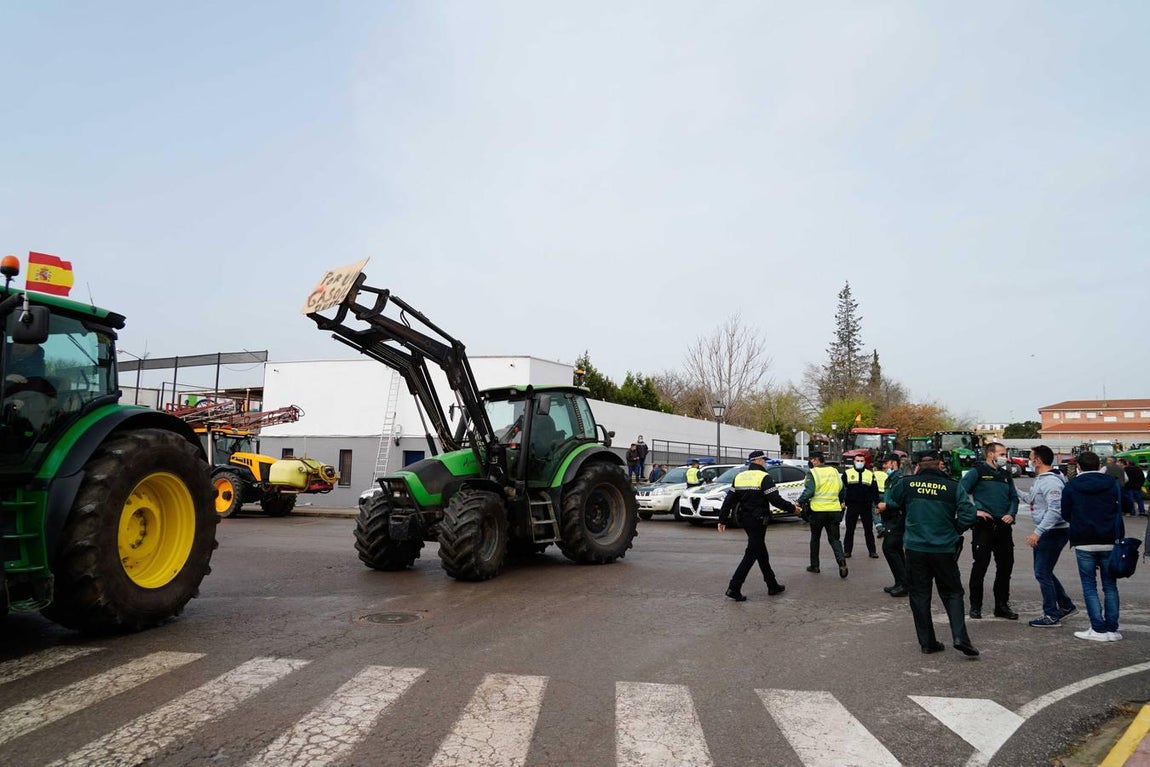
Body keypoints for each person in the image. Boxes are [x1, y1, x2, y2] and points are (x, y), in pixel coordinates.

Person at [885, 450, 979, 656]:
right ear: (939, 465)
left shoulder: (907, 484)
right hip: (944, 548)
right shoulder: (953, 487)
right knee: (952, 593)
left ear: (917, 465)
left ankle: (928, 642)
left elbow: (891, 502)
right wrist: (955, 528)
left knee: (919, 595)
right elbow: (969, 515)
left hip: (915, 549)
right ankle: (960, 637)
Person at [1062, 450, 1130, 641]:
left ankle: (1097, 628)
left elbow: (1065, 512)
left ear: (1079, 467)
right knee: (1110, 586)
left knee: (1089, 586)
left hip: (1084, 540)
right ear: (1098, 465)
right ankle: (1112, 629)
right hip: (1109, 539)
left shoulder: (1073, 485)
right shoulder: (1111, 483)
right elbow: (1120, 507)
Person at [717, 450, 795, 601]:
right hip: (759, 520)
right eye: (764, 460)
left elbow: (729, 500)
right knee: (752, 553)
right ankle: (734, 587)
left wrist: (722, 519)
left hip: (745, 520)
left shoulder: (739, 477)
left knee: (761, 552)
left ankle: (772, 585)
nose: (765, 463)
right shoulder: (764, 477)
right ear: (758, 461)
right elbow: (775, 499)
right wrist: (792, 508)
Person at [959, 442, 1020, 620]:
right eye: (1001, 453)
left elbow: (1014, 498)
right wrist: (974, 511)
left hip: (1004, 525)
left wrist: (1011, 513)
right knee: (980, 566)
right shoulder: (977, 472)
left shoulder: (1005, 474)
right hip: (983, 526)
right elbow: (960, 493)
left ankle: (1001, 606)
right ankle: (975, 606)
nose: (1004, 457)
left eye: (1005, 453)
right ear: (990, 454)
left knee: (1005, 567)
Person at [1018, 445, 1076, 627]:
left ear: (1038, 461)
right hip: (1049, 530)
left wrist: (1038, 532)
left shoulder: (1051, 482)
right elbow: (1032, 500)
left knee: (1042, 573)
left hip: (1054, 531)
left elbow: (1055, 510)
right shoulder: (1041, 479)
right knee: (1045, 572)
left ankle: (1051, 615)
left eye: (1030, 457)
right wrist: (1014, 490)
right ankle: (1066, 606)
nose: (1029, 460)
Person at [796, 452, 848, 578]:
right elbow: (842, 489)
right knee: (835, 539)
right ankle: (841, 561)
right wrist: (841, 501)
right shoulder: (834, 472)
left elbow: (809, 491)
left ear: (816, 460)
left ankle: (815, 565)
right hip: (834, 511)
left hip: (818, 511)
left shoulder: (813, 473)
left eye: (811, 460)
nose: (810, 462)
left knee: (815, 538)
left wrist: (799, 501)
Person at [875, 455, 908, 597]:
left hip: (896, 517)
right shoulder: (892, 478)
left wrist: (886, 505)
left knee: (889, 548)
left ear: (894, 463)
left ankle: (904, 584)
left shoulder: (899, 479)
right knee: (895, 549)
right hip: (890, 517)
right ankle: (901, 582)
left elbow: (901, 501)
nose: (884, 466)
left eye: (886, 463)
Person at [841, 456, 880, 559]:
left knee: (868, 530)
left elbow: (874, 490)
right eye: (857, 461)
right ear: (854, 461)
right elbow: (841, 488)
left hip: (866, 506)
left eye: (861, 461)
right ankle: (847, 551)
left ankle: (872, 551)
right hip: (852, 505)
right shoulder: (847, 473)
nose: (859, 462)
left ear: (864, 462)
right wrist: (842, 501)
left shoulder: (870, 474)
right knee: (850, 529)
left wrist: (877, 504)